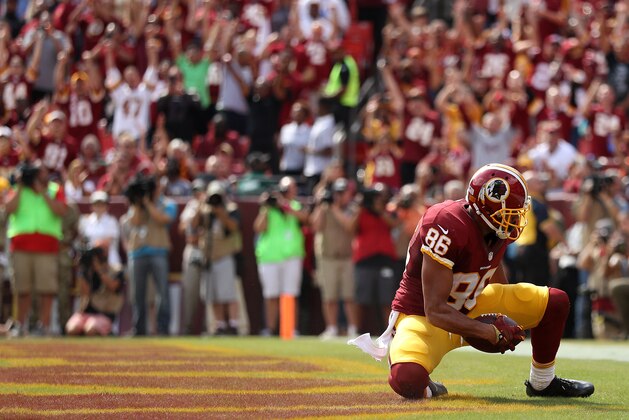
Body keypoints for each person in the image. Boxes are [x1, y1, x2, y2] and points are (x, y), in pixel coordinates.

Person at [349, 163, 594, 399]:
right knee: (407, 378)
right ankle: (430, 387)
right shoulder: (445, 224)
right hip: (424, 316)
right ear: (484, 207)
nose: (515, 219)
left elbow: (492, 268)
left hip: (471, 303)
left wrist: (510, 313)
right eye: (508, 212)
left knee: (555, 301)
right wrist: (487, 331)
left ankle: (543, 382)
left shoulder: (495, 227)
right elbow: (434, 309)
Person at [5, 160, 67, 335]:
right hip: (20, 246)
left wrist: (44, 193)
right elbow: (9, 208)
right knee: (21, 289)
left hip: (47, 247)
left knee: (46, 289)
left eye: (41, 171)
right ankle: (19, 325)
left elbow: (61, 211)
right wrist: (18, 186)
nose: (38, 175)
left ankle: (43, 326)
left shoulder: (55, 189)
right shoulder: (19, 189)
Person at [120, 173, 177, 336]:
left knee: (162, 292)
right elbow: (135, 221)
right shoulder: (136, 206)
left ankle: (163, 328)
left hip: (158, 251)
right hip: (137, 252)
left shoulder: (167, 204)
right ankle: (139, 329)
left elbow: (162, 219)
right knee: (137, 294)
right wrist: (139, 203)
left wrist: (148, 203)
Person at [254, 176, 308, 336]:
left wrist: (284, 205)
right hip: (270, 257)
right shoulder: (268, 209)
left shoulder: (295, 206)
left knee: (290, 294)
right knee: (271, 295)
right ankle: (270, 329)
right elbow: (258, 227)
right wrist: (266, 206)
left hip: (291, 256)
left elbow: (305, 218)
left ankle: (290, 329)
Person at [310, 177, 359, 339]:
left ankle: (352, 328)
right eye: (337, 193)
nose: (339, 196)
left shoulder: (351, 209)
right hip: (328, 257)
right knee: (329, 296)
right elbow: (315, 226)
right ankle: (331, 327)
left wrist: (334, 208)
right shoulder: (324, 208)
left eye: (342, 193)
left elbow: (349, 226)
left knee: (349, 296)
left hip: (346, 257)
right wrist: (321, 206)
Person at [193, 181, 243, 335]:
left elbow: (233, 227)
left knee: (228, 293)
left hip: (225, 255)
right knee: (213, 294)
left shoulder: (231, 209)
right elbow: (194, 225)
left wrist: (221, 213)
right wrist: (200, 206)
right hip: (208, 256)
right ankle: (219, 324)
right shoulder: (205, 210)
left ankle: (233, 324)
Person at [65, 244, 124, 336]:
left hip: (104, 314)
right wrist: (82, 271)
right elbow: (85, 293)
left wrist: (99, 269)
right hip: (86, 313)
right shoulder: (88, 272)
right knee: (72, 329)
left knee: (91, 329)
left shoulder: (116, 270)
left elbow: (113, 287)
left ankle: (107, 333)